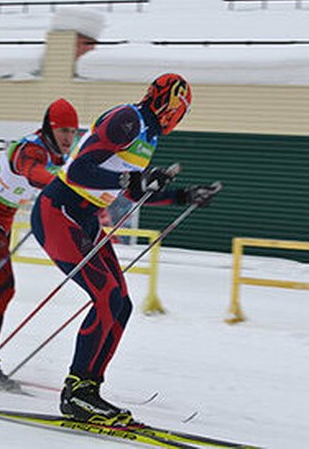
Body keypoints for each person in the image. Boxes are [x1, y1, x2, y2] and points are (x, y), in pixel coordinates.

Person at [30, 73, 221, 426]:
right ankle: (76, 393)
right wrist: (130, 180)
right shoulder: (127, 119)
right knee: (105, 296)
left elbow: (133, 192)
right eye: (182, 110)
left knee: (122, 302)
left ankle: (89, 388)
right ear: (172, 105)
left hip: (84, 219)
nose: (180, 119)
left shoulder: (147, 136)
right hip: (59, 213)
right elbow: (78, 171)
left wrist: (183, 195)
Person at [0, 98, 79, 390]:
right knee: (4, 287)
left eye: (73, 132)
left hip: (2, 217)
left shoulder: (59, 153)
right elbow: (32, 171)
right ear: (50, 128)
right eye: (63, 132)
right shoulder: (30, 148)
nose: (68, 139)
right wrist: (56, 184)